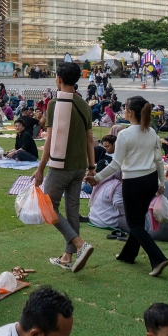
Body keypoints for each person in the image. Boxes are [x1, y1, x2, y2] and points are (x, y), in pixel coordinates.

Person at [87, 96, 168, 277]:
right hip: (150, 181)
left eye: (125, 108)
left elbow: (116, 164)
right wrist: (161, 183)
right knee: (137, 222)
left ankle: (158, 258)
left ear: (130, 112)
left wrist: (97, 178)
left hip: (133, 182)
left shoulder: (124, 134)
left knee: (134, 224)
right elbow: (158, 161)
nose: (123, 110)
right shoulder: (152, 132)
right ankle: (128, 255)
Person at [32, 62, 98, 274]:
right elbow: (90, 140)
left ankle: (80, 244)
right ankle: (67, 257)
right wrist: (91, 167)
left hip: (61, 167)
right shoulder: (85, 105)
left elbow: (50, 140)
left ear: (59, 78)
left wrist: (41, 168)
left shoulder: (54, 104)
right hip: (80, 167)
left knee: (48, 208)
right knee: (72, 210)